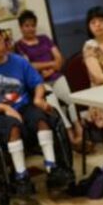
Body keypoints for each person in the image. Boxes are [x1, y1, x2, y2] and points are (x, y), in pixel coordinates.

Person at [0, 24, 74, 194]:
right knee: (13, 126)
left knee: (41, 119)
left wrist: (38, 98)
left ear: (4, 39)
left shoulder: (19, 61)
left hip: (24, 106)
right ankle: (21, 175)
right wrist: (3, 108)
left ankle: (52, 168)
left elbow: (37, 83)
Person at [14, 9, 84, 148]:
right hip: (40, 83)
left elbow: (60, 59)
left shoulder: (45, 39)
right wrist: (51, 64)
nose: (30, 29)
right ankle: (69, 135)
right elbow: (28, 66)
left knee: (71, 99)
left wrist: (51, 68)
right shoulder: (19, 46)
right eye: (27, 26)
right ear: (21, 28)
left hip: (56, 77)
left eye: (33, 25)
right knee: (54, 106)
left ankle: (79, 130)